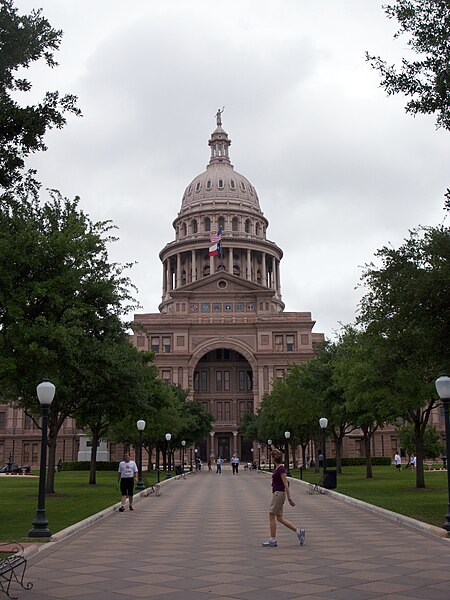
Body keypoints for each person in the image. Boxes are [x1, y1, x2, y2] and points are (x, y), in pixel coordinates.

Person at [262, 447, 305, 547]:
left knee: (271, 515)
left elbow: (286, 483)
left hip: (279, 494)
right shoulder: (278, 467)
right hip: (278, 493)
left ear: (273, 458)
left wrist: (289, 498)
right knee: (280, 518)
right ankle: (299, 532)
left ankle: (272, 540)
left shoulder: (281, 468)